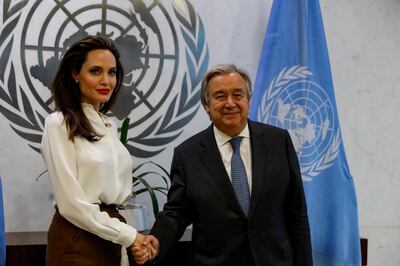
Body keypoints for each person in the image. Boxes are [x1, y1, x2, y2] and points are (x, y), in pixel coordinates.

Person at [133, 64, 313, 266]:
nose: (230, 103)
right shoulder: (187, 154)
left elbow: (297, 213)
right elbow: (177, 213)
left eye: (238, 95)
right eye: (220, 96)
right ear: (206, 105)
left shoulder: (278, 141)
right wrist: (157, 239)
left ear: (248, 100)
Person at [41, 35, 154, 266]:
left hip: (111, 235)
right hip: (76, 239)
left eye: (111, 72)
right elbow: (72, 205)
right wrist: (130, 236)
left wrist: (133, 239)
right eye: (95, 71)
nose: (106, 81)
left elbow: (116, 198)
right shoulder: (58, 122)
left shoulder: (108, 125)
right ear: (75, 74)